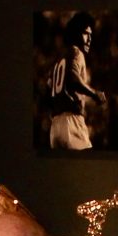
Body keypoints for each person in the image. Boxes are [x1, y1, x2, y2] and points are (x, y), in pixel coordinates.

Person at [43, 12, 103, 151]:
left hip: (55, 128)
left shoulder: (58, 60)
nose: (89, 39)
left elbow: (48, 89)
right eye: (86, 34)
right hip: (72, 124)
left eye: (91, 36)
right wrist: (95, 93)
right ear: (76, 33)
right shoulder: (77, 52)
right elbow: (72, 78)